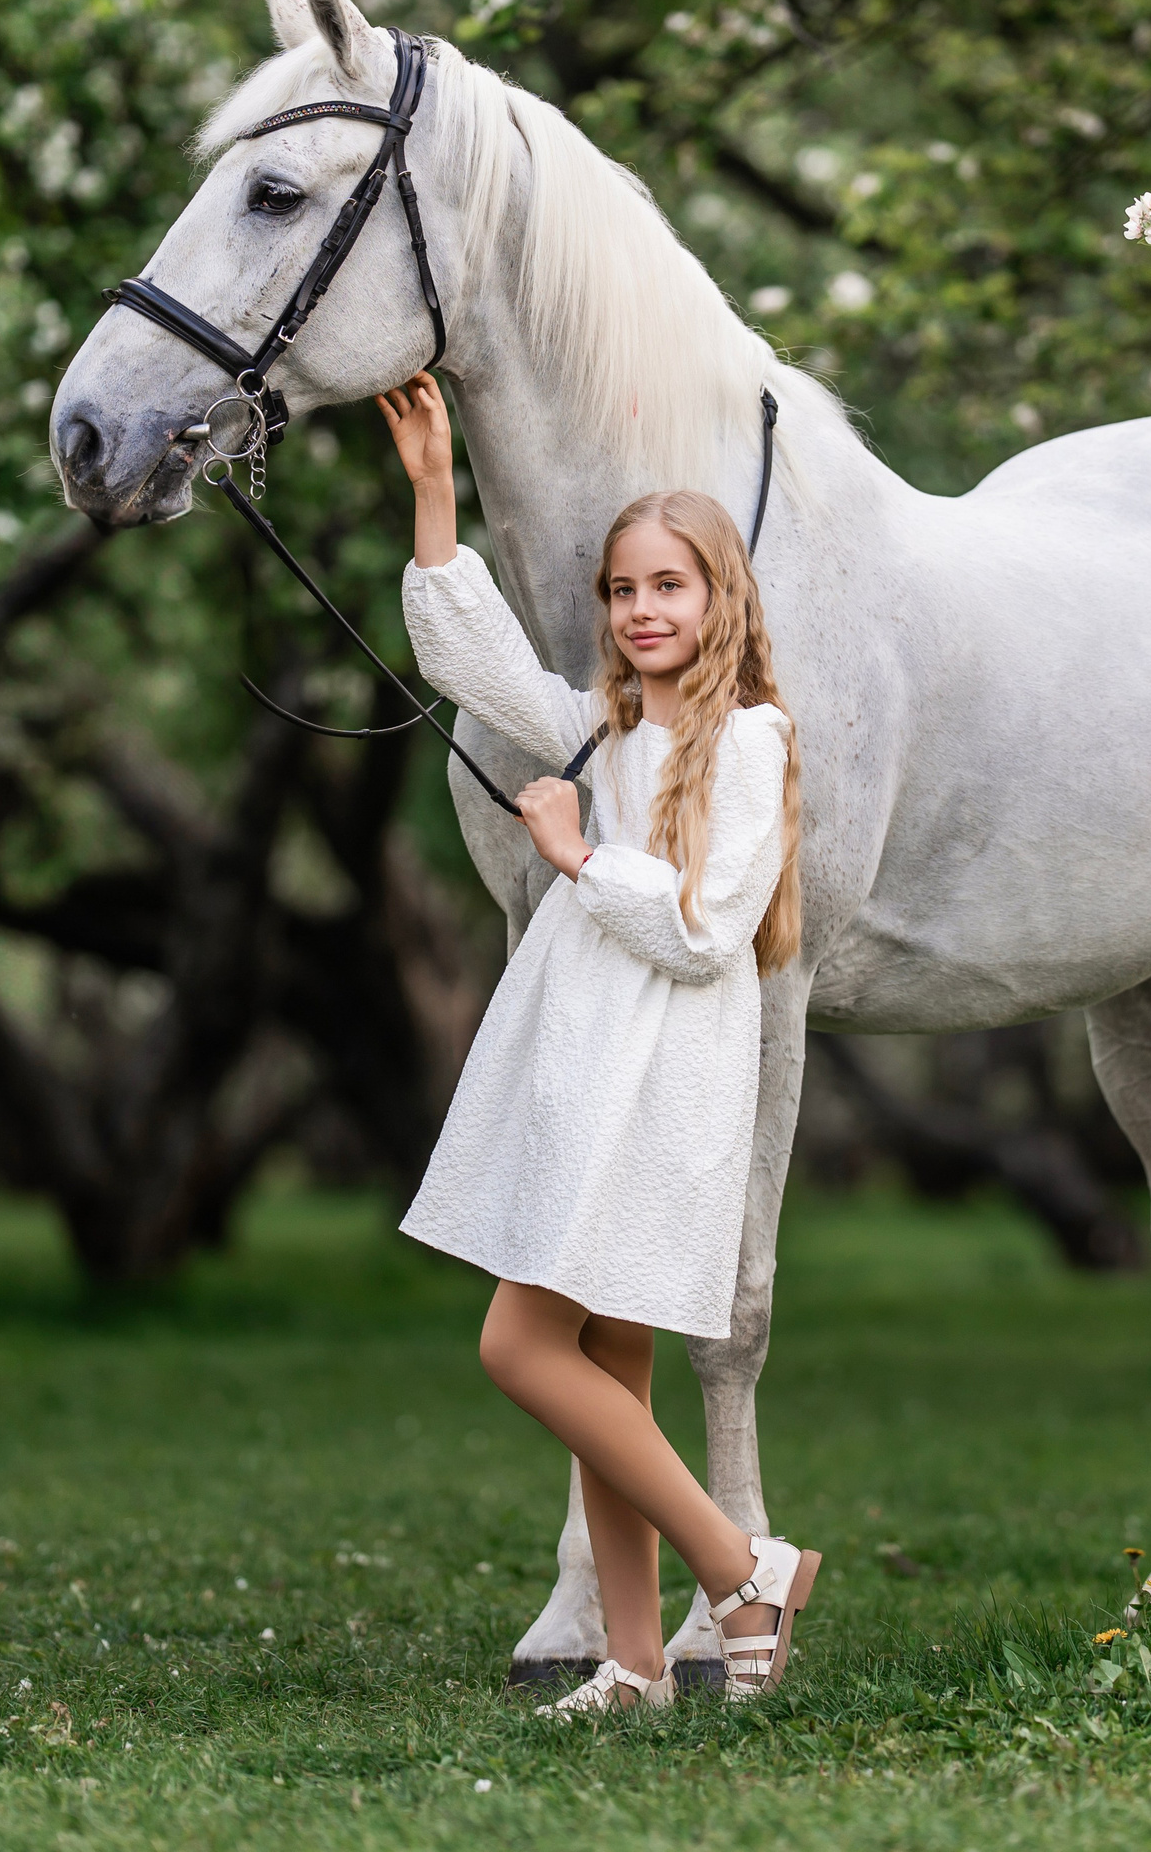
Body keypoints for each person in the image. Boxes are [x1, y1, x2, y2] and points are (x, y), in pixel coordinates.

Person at [379, 371, 816, 1717]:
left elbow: (705, 928)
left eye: (668, 586)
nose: (641, 610)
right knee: (608, 1366)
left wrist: (575, 854)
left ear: (720, 597)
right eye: (624, 591)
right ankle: (634, 1663)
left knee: (520, 1349)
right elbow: (473, 660)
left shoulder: (749, 740)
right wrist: (434, 492)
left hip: (667, 1090)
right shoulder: (605, 724)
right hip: (583, 1081)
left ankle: (741, 1568)